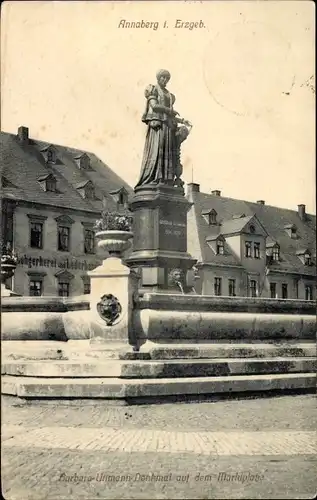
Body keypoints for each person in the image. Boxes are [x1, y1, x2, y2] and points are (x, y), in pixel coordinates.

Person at [135, 69, 191, 188]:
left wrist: (182, 121)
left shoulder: (169, 95)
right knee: (158, 151)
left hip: (168, 126)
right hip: (158, 127)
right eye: (163, 77)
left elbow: (170, 115)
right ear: (158, 78)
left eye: (167, 78)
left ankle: (166, 179)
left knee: (167, 153)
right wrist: (170, 110)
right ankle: (156, 176)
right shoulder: (153, 90)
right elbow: (154, 106)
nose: (165, 80)